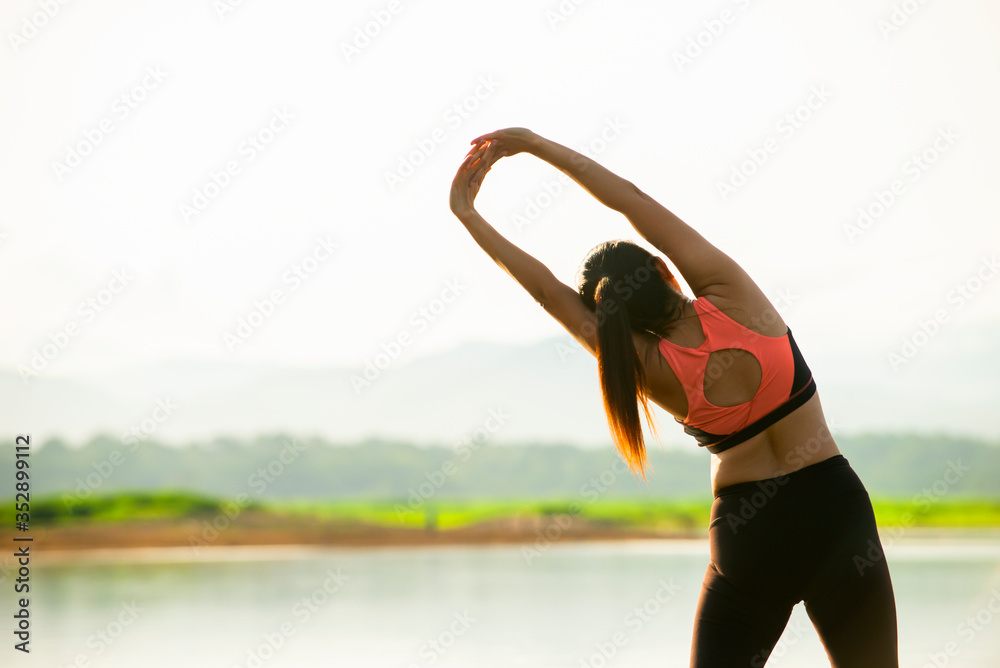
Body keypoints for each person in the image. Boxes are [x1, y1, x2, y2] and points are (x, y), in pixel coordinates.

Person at [449, 128, 899, 667]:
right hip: (835, 511)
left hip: (749, 533)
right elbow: (630, 198)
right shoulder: (730, 292)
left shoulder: (646, 366)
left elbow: (548, 294)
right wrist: (531, 145)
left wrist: (469, 215)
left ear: (618, 321)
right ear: (664, 270)